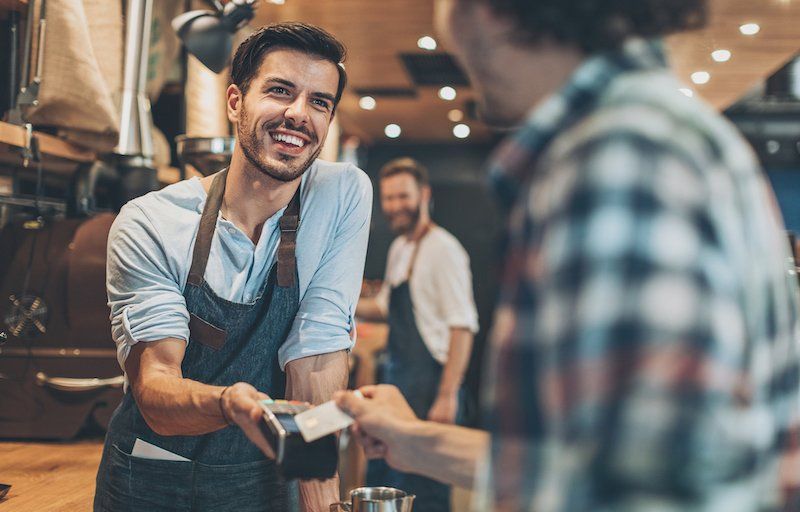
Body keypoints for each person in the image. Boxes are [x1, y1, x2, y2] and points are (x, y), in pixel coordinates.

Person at [336, 1, 800, 510]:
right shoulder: (659, 133)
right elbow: (593, 463)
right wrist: (417, 441)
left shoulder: (617, 159)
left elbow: (635, 496)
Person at [94, 22, 372, 512]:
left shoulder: (342, 194)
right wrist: (227, 404)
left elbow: (317, 353)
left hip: (265, 477)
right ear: (235, 102)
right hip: (155, 476)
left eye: (319, 102)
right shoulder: (150, 221)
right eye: (280, 91)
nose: (297, 114)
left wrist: (323, 504)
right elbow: (157, 388)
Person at [356, 158, 479, 511]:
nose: (395, 206)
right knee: (388, 481)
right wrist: (335, 299)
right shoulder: (400, 248)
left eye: (403, 197)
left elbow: (463, 326)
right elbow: (382, 308)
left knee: (425, 491)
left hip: (431, 388)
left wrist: (447, 395)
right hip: (399, 381)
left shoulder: (444, 249)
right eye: (389, 198)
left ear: (424, 195)